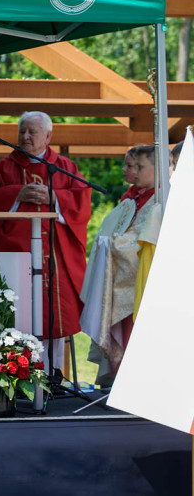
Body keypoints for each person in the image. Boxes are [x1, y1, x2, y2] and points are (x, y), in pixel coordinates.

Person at [0, 111, 91, 370]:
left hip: (55, 259)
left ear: (48, 136)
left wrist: (55, 198)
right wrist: (17, 194)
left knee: (55, 318)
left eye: (32, 132)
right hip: (17, 257)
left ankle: (54, 375)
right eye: (22, 132)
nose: (25, 137)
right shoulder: (3, 168)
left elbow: (82, 201)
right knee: (17, 317)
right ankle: (16, 373)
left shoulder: (64, 167)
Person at [81, 145, 160, 379]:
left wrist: (113, 245)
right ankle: (121, 382)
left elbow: (143, 239)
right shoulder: (130, 198)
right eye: (130, 166)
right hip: (122, 278)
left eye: (138, 166)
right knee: (123, 334)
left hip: (142, 279)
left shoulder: (161, 199)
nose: (132, 171)